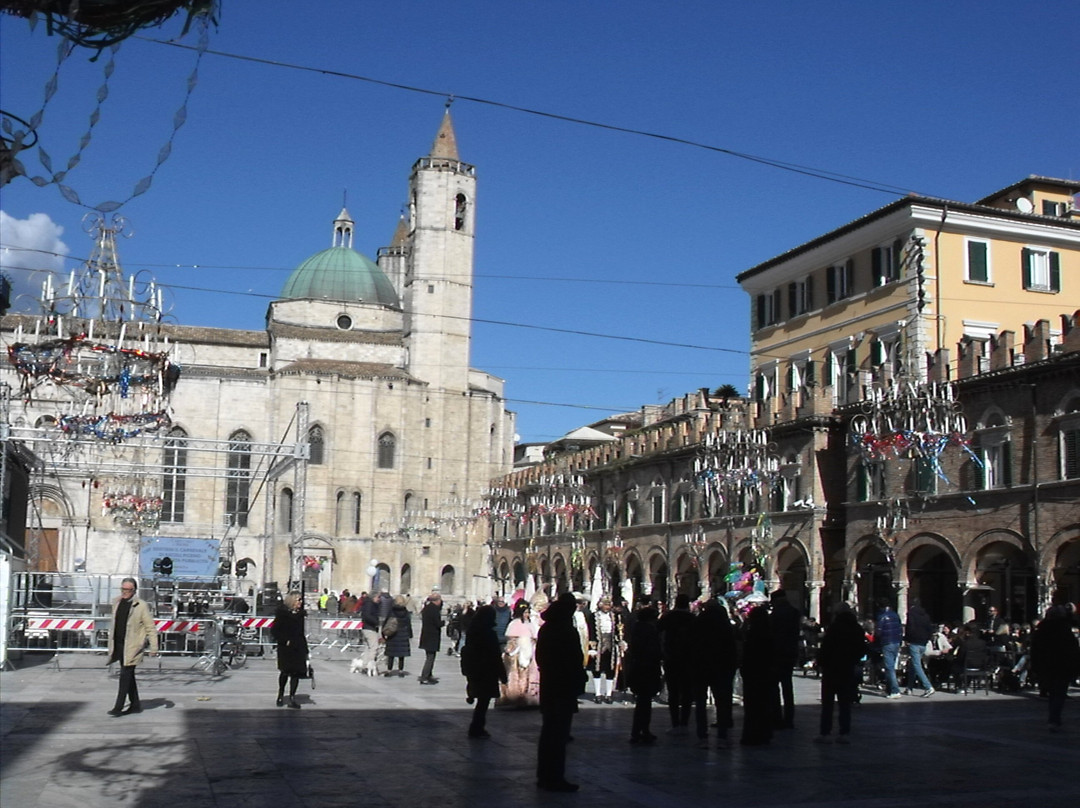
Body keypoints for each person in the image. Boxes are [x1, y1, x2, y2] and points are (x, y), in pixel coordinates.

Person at [535, 592, 587, 793]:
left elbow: (540, 658)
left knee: (548, 732)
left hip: (549, 685)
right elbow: (574, 659)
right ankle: (555, 777)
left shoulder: (547, 629)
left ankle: (544, 775)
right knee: (559, 734)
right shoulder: (566, 630)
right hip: (563, 688)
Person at [814, 604, 868, 744]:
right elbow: (861, 649)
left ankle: (825, 732)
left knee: (828, 703)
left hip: (831, 668)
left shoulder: (834, 628)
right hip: (847, 668)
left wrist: (820, 663)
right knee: (845, 703)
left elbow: (826, 647)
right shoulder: (856, 628)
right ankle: (844, 732)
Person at [107, 577, 158, 716]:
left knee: (125, 675)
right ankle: (135, 704)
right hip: (119, 644)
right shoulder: (116, 602)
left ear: (134, 590)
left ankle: (118, 706)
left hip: (132, 647)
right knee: (129, 676)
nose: (125, 592)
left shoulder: (140, 605)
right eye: (123, 589)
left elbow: (150, 627)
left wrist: (154, 647)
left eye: (128, 590)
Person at [693, 598, 737, 747]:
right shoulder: (726, 626)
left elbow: (693, 644)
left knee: (700, 702)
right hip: (722, 667)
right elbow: (732, 647)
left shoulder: (699, 623)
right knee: (722, 701)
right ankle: (722, 735)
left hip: (701, 666)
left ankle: (702, 735)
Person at [1031, 604, 1080, 732]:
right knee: (1059, 693)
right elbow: (1072, 649)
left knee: (1054, 692)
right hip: (1061, 665)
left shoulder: (1042, 629)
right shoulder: (1064, 629)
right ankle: (1054, 718)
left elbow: (1035, 649)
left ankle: (1053, 718)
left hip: (1047, 665)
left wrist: (1036, 665)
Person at [460, 604, 507, 738]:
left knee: (481, 699)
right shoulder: (489, 633)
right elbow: (495, 655)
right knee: (483, 701)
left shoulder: (472, 631)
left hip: (475, 669)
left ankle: (477, 726)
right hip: (487, 671)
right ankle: (476, 728)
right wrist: (502, 675)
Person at [625, 602, 662, 745]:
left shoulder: (637, 629)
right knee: (644, 703)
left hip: (639, 669)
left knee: (642, 703)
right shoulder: (648, 631)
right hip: (647, 670)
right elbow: (653, 651)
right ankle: (641, 731)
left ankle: (640, 730)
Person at [740, 605, 777, 746]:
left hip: (753, 674)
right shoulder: (769, 634)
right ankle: (764, 733)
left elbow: (748, 655)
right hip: (765, 674)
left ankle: (751, 734)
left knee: (752, 707)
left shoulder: (752, 634)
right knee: (764, 705)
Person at [658, 593, 695, 731]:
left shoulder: (668, 617)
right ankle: (684, 722)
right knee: (686, 692)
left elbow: (658, 630)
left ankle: (675, 723)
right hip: (688, 659)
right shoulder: (692, 618)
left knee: (673, 692)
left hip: (671, 658)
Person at [769, 589, 802, 728]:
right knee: (787, 687)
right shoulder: (795, 612)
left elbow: (772, 634)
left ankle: (776, 717)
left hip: (777, 654)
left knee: (774, 687)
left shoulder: (776, 614)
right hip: (790, 653)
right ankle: (789, 718)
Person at [271, 591, 308, 708]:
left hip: (298, 646)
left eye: (301, 600)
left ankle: (292, 697)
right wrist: (284, 640)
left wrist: (305, 649)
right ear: (292, 600)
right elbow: (275, 630)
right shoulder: (282, 614)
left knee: (296, 673)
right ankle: (281, 694)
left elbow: (301, 632)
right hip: (285, 647)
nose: (301, 602)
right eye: (298, 600)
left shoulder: (300, 615)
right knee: (285, 672)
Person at [502, 600, 540, 706]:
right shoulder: (514, 623)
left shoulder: (531, 624)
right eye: (525, 612)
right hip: (517, 653)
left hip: (530, 653)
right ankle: (515, 696)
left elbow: (535, 636)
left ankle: (529, 696)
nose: (527, 615)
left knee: (530, 674)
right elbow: (510, 638)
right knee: (516, 674)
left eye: (528, 612)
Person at [587, 596, 622, 704]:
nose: (607, 607)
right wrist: (591, 646)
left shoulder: (615, 616)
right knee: (596, 670)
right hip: (597, 646)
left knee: (610, 670)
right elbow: (591, 630)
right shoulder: (593, 616)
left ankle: (608, 694)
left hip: (610, 646)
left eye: (608, 605)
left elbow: (618, 631)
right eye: (605, 605)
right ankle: (597, 693)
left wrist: (620, 640)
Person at [903, 599, 935, 696]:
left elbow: (910, 627)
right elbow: (930, 629)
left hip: (914, 642)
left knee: (917, 665)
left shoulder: (911, 614)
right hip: (923, 643)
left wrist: (907, 639)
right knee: (913, 664)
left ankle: (928, 687)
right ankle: (909, 687)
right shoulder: (926, 615)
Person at [875, 599, 903, 698]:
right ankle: (889, 689)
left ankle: (895, 691)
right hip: (896, 642)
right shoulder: (895, 615)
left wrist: (877, 642)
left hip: (887, 643)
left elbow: (878, 632)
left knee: (889, 668)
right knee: (891, 667)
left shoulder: (882, 617)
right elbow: (900, 628)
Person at [383, 595, 413, 676]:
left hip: (393, 634)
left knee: (391, 654)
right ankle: (401, 670)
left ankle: (389, 670)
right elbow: (408, 624)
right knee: (401, 654)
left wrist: (383, 633)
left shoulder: (392, 611)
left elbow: (386, 622)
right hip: (403, 634)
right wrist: (410, 635)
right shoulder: (405, 612)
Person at [418, 590, 444, 684]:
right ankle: (424, 676)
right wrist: (443, 623)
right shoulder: (434, 610)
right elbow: (437, 623)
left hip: (426, 635)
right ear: (437, 600)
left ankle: (429, 675)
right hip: (432, 636)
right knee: (430, 658)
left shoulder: (427, 608)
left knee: (430, 656)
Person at [360, 589, 382, 675]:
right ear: (374, 597)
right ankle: (370, 665)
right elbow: (367, 616)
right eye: (378, 597)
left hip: (367, 627)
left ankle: (365, 665)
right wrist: (376, 622)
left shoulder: (368, 603)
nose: (379, 599)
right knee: (374, 647)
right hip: (370, 628)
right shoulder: (370, 604)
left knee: (368, 648)